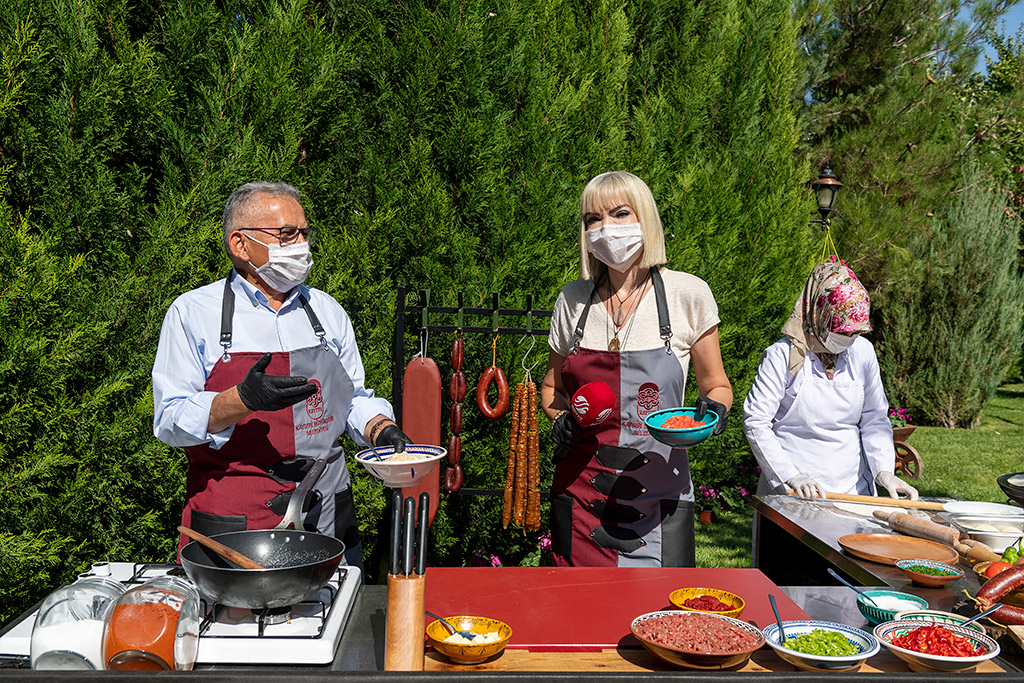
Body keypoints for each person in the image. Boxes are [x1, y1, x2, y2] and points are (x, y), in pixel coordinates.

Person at [152, 181, 411, 568]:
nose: (302, 245)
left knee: (333, 621)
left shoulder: (326, 310)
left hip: (326, 511)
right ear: (240, 244)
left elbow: (352, 398)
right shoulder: (193, 313)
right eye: (288, 234)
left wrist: (379, 428)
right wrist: (239, 400)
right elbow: (169, 420)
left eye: (305, 233)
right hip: (236, 520)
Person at [539, 171, 733, 567]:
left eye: (620, 213)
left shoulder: (687, 294)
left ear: (645, 219)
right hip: (580, 496)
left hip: (660, 498)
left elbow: (716, 385)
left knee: (660, 622)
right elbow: (551, 390)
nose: (605, 228)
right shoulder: (572, 300)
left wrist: (713, 414)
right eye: (593, 219)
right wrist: (559, 418)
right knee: (576, 618)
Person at [742, 259, 918, 501]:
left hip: (852, 490)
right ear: (820, 314)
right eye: (842, 331)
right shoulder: (782, 356)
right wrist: (790, 476)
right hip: (794, 491)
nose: (849, 338)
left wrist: (884, 471)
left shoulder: (862, 353)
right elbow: (756, 421)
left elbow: (874, 418)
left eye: (855, 332)